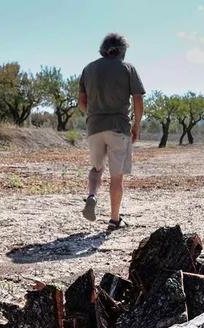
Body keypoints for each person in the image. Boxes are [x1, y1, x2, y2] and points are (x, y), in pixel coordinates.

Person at [78, 33, 145, 230]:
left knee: (96, 169)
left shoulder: (88, 69)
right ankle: (114, 220)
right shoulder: (128, 68)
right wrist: (136, 124)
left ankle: (91, 196)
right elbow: (138, 100)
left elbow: (82, 102)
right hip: (118, 127)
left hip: (95, 127)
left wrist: (94, 113)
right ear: (122, 50)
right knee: (116, 177)